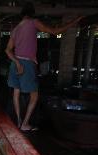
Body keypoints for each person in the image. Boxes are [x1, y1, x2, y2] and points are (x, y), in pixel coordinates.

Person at [5, 2, 83, 131]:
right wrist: (75, 20)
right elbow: (55, 31)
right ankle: (25, 124)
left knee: (16, 93)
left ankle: (18, 121)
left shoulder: (16, 29)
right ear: (31, 14)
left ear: (22, 15)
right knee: (34, 95)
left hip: (15, 64)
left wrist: (17, 62)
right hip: (27, 64)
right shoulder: (34, 22)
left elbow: (7, 50)